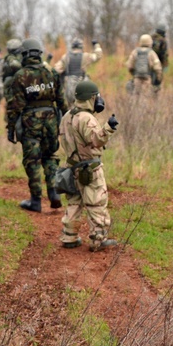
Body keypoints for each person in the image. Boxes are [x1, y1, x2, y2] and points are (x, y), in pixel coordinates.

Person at [58, 79, 119, 251]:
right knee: (96, 202)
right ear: (91, 98)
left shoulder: (66, 116)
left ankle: (69, 237)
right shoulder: (86, 118)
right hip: (90, 168)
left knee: (74, 203)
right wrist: (109, 128)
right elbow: (95, 140)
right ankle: (98, 239)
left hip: (72, 168)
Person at [7, 38, 65, 212]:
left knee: (32, 161)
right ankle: (54, 193)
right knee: (50, 156)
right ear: (39, 54)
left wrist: (11, 129)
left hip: (30, 123)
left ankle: (36, 201)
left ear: (24, 55)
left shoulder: (20, 76)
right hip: (51, 122)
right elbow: (62, 101)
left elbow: (15, 106)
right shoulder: (52, 73)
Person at [54, 37, 101, 104]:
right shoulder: (85, 56)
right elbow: (98, 56)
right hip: (82, 88)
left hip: (69, 88)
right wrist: (96, 45)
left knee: (70, 108)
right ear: (81, 47)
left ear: (72, 47)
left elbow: (56, 70)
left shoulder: (66, 57)